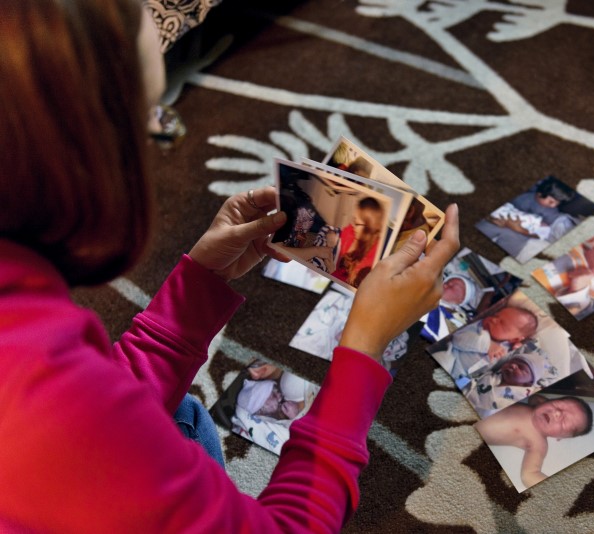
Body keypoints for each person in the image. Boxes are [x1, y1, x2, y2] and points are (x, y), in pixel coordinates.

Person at [0, 2, 460, 532]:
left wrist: (194, 290)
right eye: (156, 122)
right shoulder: (53, 408)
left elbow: (93, 414)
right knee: (185, 430)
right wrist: (362, 348)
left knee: (183, 421)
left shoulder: (42, 364)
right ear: (75, 157)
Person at [474, 395, 593, 487]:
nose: (557, 413)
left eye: (563, 423)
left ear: (560, 437)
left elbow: (529, 475)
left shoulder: (538, 443)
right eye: (559, 405)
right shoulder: (536, 405)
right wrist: (542, 401)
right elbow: (533, 397)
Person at [476, 176, 579, 262]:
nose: (553, 206)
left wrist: (519, 229)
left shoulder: (552, 213)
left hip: (522, 233)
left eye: (558, 203)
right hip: (505, 220)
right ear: (539, 194)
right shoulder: (523, 196)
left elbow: (543, 233)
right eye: (551, 201)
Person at [429, 305, 539, 386]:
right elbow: (457, 339)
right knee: (441, 360)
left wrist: (517, 348)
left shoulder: (508, 350)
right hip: (452, 358)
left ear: (514, 339)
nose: (494, 320)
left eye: (502, 324)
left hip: (466, 380)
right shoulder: (480, 328)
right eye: (496, 316)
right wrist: (487, 344)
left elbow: (512, 364)